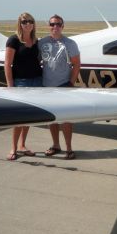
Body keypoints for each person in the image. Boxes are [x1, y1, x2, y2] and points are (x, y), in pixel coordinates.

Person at [39, 14, 81, 159]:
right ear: (49, 26)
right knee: (52, 118)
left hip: (63, 85)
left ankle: (69, 148)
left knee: (66, 119)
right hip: (47, 86)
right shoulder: (42, 42)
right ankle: (56, 145)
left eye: (58, 24)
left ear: (63, 26)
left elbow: (76, 64)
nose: (55, 27)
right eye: (52, 24)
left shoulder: (70, 43)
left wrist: (71, 83)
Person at [4, 12, 42, 160]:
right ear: (19, 24)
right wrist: (10, 86)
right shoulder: (13, 40)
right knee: (20, 117)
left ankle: (22, 145)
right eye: (24, 22)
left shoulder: (35, 41)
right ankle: (13, 148)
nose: (28, 24)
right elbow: (7, 64)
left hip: (36, 81)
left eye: (30, 21)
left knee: (29, 116)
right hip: (21, 82)